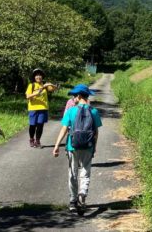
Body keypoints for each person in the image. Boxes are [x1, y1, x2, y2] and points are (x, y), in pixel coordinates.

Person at [52, 84, 102, 213]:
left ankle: (73, 201)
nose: (73, 98)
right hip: (88, 146)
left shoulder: (71, 111)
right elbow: (96, 132)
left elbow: (64, 129)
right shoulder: (94, 111)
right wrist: (94, 147)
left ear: (79, 96)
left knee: (73, 173)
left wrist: (57, 145)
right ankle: (83, 193)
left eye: (74, 95)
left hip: (72, 146)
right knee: (85, 171)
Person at [25, 68, 55, 148]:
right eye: (37, 75)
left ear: (42, 76)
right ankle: (31, 139)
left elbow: (53, 89)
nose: (38, 77)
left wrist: (50, 84)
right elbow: (27, 96)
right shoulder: (31, 85)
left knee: (40, 125)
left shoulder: (44, 85)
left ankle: (37, 141)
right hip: (33, 108)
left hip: (43, 108)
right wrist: (37, 92)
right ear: (34, 77)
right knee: (32, 125)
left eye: (40, 75)